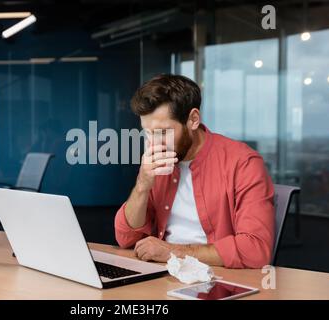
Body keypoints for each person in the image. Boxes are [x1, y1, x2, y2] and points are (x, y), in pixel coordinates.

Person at [114, 74, 275, 269]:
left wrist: (172, 251)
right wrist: (142, 186)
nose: (154, 143)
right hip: (165, 272)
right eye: (147, 132)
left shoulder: (243, 163)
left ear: (193, 119)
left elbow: (255, 250)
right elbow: (126, 238)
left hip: (218, 277)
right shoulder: (160, 161)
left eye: (163, 132)